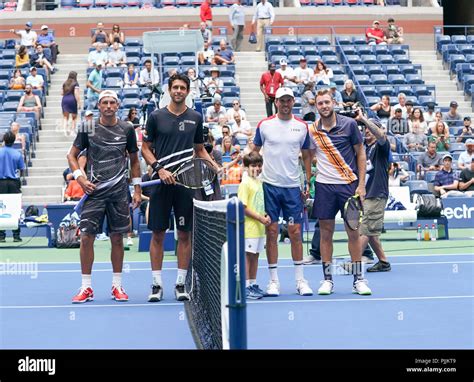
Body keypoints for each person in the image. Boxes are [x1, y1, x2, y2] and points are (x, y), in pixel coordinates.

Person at [141, 73, 219, 302]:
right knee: (157, 234)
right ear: (169, 89)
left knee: (185, 234)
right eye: (175, 87)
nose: (178, 91)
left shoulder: (195, 117)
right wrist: (159, 168)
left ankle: (181, 284)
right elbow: (145, 148)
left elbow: (200, 149)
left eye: (182, 88)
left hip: (185, 184)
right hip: (161, 183)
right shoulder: (155, 116)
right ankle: (156, 285)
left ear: (187, 91)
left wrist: (215, 167)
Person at [67, 90, 142, 303]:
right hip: (94, 193)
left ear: (117, 106)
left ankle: (117, 286)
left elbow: (134, 161)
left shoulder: (127, 128)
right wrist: (80, 178)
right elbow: (71, 155)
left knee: (117, 238)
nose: (108, 106)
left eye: (112, 102)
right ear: (99, 106)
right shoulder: (88, 127)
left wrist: (136, 190)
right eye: (104, 102)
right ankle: (86, 288)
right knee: (86, 237)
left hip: (119, 194)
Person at [307, 88, 371, 295]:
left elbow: (361, 154)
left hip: (349, 188)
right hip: (324, 188)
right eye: (320, 103)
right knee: (325, 234)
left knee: (353, 232)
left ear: (334, 102)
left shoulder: (350, 124)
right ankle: (327, 280)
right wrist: (308, 180)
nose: (324, 106)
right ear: (316, 106)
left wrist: (361, 185)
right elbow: (307, 156)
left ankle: (358, 279)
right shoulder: (312, 130)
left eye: (327, 102)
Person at [252, 87, 314, 297]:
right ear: (275, 102)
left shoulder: (302, 126)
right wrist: (251, 174)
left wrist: (306, 181)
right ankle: (273, 282)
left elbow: (306, 155)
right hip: (269, 186)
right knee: (271, 232)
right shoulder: (265, 125)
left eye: (288, 100)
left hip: (292, 188)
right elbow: (254, 152)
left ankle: (300, 280)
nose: (285, 104)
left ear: (293, 102)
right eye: (281, 100)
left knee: (295, 233)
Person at [355, 114, 391, 272]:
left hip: (377, 193)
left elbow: (381, 135)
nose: (367, 130)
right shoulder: (365, 148)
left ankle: (354, 262)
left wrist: (364, 120)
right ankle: (383, 262)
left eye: (371, 127)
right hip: (366, 194)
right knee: (372, 232)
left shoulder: (382, 146)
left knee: (365, 229)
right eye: (365, 128)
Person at [238, 151, 271, 299]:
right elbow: (243, 208)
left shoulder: (258, 182)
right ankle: (245, 287)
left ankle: (252, 284)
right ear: (246, 166)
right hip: (248, 228)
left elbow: (258, 204)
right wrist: (260, 218)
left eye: (259, 166)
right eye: (253, 166)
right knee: (248, 256)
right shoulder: (245, 183)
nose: (257, 169)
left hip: (259, 228)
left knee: (255, 256)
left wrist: (264, 216)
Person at [0, 132, 26, 243]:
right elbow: (22, 169)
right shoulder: (17, 153)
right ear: (14, 140)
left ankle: (1, 236)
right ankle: (16, 235)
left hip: (0, 183)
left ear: (4, 140)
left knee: (1, 208)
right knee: (15, 208)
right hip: (14, 183)